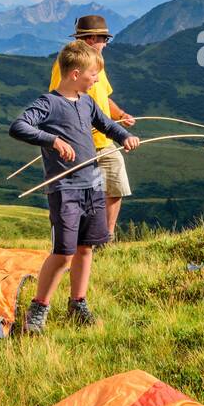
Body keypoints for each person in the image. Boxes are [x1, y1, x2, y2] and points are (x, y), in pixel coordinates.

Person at [10, 39, 139, 334]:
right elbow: (18, 126)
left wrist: (124, 137)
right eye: (93, 75)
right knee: (63, 253)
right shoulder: (48, 103)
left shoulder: (88, 102)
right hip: (65, 190)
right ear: (75, 74)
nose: (96, 80)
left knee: (86, 249)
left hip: (92, 186)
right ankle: (38, 309)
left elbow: (107, 124)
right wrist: (52, 140)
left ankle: (77, 304)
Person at [49, 14, 135, 241]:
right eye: (104, 39)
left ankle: (107, 237)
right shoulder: (65, 65)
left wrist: (121, 115)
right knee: (82, 194)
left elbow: (104, 98)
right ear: (91, 39)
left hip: (106, 141)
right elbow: (60, 99)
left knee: (116, 188)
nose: (106, 44)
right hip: (81, 144)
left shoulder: (97, 64)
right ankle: (80, 239)